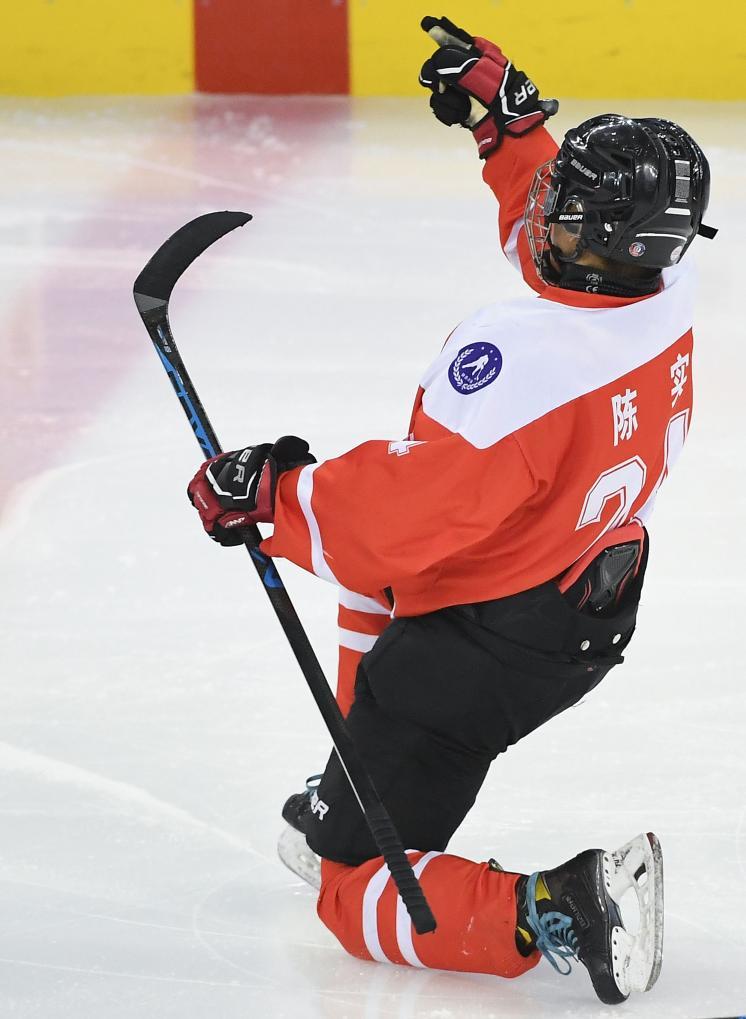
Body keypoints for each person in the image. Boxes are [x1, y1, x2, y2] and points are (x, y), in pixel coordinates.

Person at [186, 15, 716, 1006]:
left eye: (566, 212)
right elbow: (568, 244)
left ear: (607, 245)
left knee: (352, 888)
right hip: (582, 586)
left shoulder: (529, 369)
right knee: (370, 586)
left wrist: (270, 494)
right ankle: (351, 777)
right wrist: (511, 130)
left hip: (487, 642)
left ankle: (565, 907)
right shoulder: (659, 283)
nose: (547, 219)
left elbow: (390, 520)